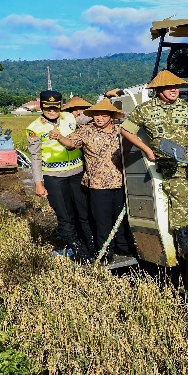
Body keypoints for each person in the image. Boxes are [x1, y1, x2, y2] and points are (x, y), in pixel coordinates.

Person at [120, 70, 188, 259]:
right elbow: (126, 130)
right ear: (158, 90)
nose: (174, 90)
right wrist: (147, 150)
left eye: (176, 86)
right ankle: (184, 242)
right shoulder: (145, 109)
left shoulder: (186, 107)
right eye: (168, 87)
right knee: (179, 194)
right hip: (170, 162)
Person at [51, 99, 135, 264]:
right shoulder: (86, 131)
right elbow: (71, 143)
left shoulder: (120, 130)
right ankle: (105, 251)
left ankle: (123, 247)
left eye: (104, 115)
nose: (99, 118)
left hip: (120, 183)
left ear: (111, 117)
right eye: (97, 115)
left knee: (121, 219)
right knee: (102, 221)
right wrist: (59, 137)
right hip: (98, 185)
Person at [26, 90, 94, 260]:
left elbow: (91, 116)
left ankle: (91, 245)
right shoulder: (34, 128)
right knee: (65, 215)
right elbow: (35, 157)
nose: (52, 111)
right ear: (42, 107)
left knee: (83, 212)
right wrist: (38, 183)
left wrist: (108, 103)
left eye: (55, 107)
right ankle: (78, 251)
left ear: (60, 107)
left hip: (77, 173)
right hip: (54, 177)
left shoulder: (70, 118)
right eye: (48, 107)